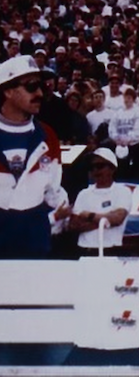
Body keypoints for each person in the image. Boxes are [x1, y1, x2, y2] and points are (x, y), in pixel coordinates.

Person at [0, 55, 71, 258]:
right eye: (32, 87)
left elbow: (52, 192)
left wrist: (57, 216)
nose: (39, 93)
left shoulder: (48, 136)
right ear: (8, 91)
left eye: (42, 86)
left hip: (36, 249)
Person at [69, 146, 133, 256]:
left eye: (99, 166)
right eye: (92, 167)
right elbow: (74, 225)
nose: (95, 170)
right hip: (85, 250)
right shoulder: (83, 193)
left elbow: (117, 219)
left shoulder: (123, 191)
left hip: (111, 250)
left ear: (112, 168)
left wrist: (88, 215)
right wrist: (105, 220)